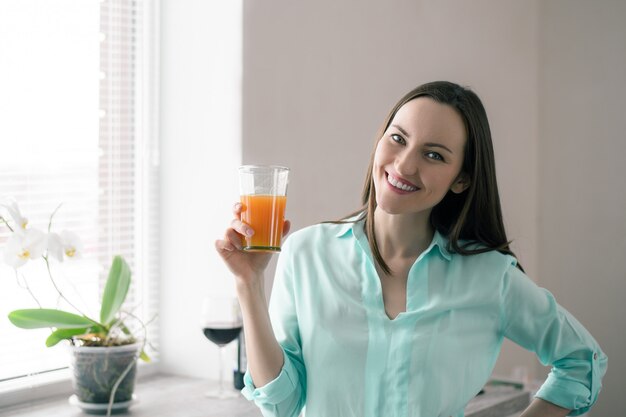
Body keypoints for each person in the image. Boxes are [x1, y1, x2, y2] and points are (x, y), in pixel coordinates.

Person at [215, 81, 607, 417]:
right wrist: (249, 283)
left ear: (461, 180)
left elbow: (581, 362)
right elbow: (281, 404)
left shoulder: (490, 276)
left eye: (434, 155)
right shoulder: (306, 253)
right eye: (398, 139)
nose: (404, 165)